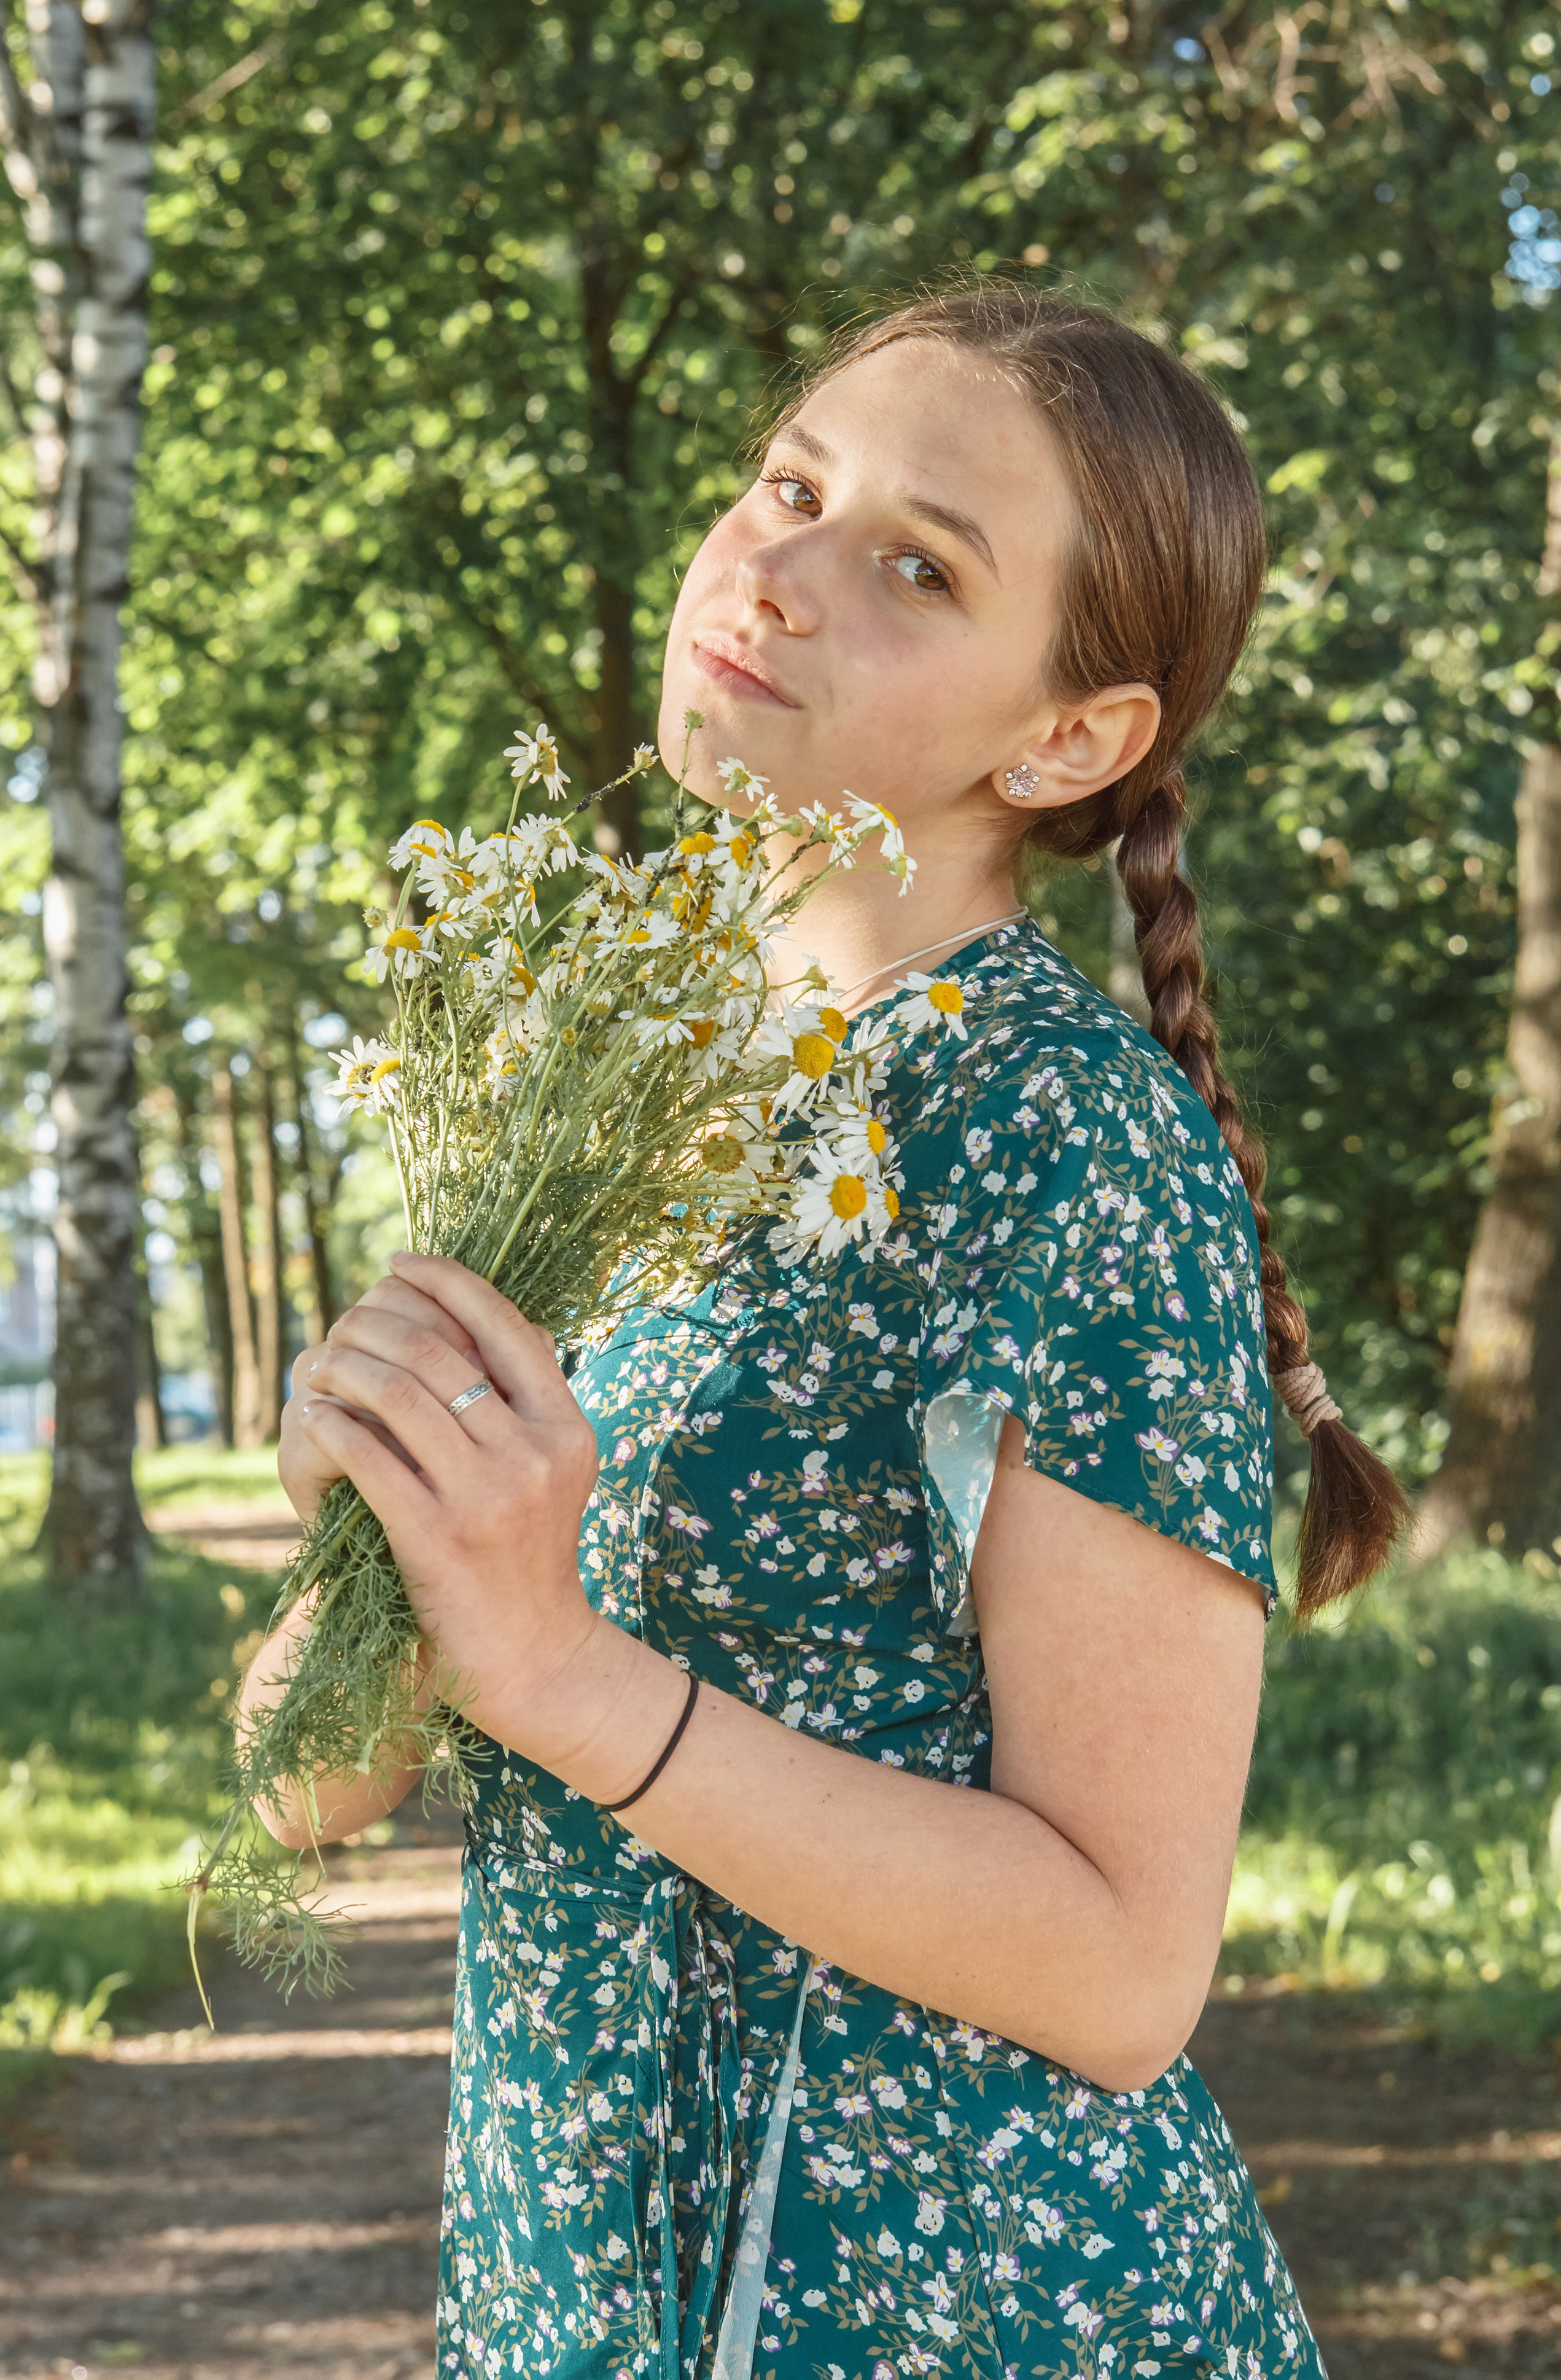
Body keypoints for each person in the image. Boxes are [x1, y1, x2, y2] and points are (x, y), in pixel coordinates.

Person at [246, 282, 1407, 2380]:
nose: (774, 567)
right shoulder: (609, 1098)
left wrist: (567, 1674)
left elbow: (1130, 1962)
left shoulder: (1072, 1139)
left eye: (912, 564)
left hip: (950, 2304)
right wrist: (367, 1530)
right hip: (584, 2272)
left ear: (1064, 738)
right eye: (792, 483)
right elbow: (309, 1795)